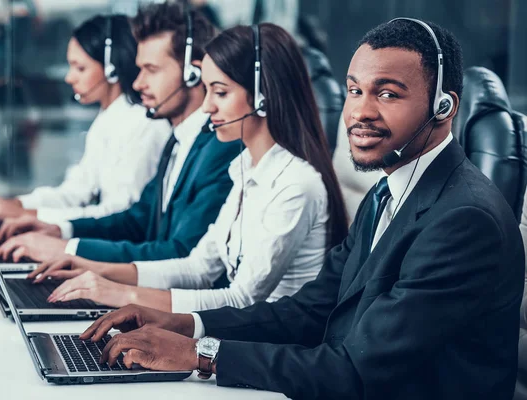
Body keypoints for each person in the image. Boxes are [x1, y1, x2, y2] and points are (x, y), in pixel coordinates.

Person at [76, 19, 525, 400]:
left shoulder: (465, 220)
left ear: (444, 107)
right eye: (354, 91)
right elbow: (308, 311)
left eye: (387, 94)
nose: (360, 112)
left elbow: (358, 370)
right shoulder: (389, 190)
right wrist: (181, 324)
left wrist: (200, 355)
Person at [25, 23, 349, 313]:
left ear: (263, 96)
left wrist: (122, 294)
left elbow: (243, 298)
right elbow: (198, 267)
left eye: (220, 92)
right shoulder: (246, 169)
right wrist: (94, 270)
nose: (207, 106)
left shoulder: (295, 184)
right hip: (238, 339)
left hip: (267, 352)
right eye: (207, 90)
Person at [0, 2, 242, 264]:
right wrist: (61, 231)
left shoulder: (219, 148)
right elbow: (137, 220)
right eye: (139, 68)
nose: (137, 83)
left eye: (151, 70)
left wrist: (68, 250)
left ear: (193, 73)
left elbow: (182, 254)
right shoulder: (178, 139)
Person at [0, 15, 172, 225]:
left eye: (80, 68)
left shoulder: (143, 124)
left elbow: (119, 213)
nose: (69, 78)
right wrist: (15, 205)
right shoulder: (109, 118)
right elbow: (76, 191)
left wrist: (28, 216)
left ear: (111, 69)